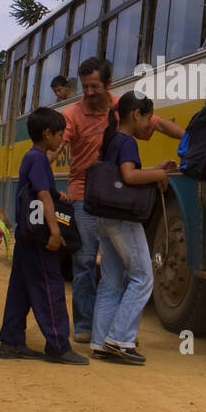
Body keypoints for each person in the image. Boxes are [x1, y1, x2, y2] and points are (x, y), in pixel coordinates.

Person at [60, 57, 183, 343]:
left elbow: (161, 124)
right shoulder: (73, 115)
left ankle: (105, 333)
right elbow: (57, 146)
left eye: (94, 86)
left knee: (113, 274)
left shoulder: (122, 110)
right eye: (84, 87)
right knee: (87, 262)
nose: (89, 92)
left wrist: (189, 140)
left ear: (108, 84)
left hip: (112, 200)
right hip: (84, 195)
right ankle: (88, 326)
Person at [90, 92, 175, 364]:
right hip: (123, 219)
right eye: (148, 118)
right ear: (136, 114)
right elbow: (129, 176)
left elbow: (121, 176)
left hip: (105, 217)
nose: (150, 124)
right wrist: (160, 175)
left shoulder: (113, 139)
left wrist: (154, 169)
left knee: (111, 282)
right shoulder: (128, 142)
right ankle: (120, 340)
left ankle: (101, 341)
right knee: (143, 278)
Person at [0, 108, 88, 365]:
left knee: (21, 288)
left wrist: (55, 192)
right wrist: (55, 231)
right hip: (40, 236)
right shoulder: (38, 160)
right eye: (60, 134)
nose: (62, 139)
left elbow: (45, 187)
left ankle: (11, 340)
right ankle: (58, 345)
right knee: (50, 287)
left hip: (26, 234)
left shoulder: (33, 157)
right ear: (48, 133)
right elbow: (43, 195)